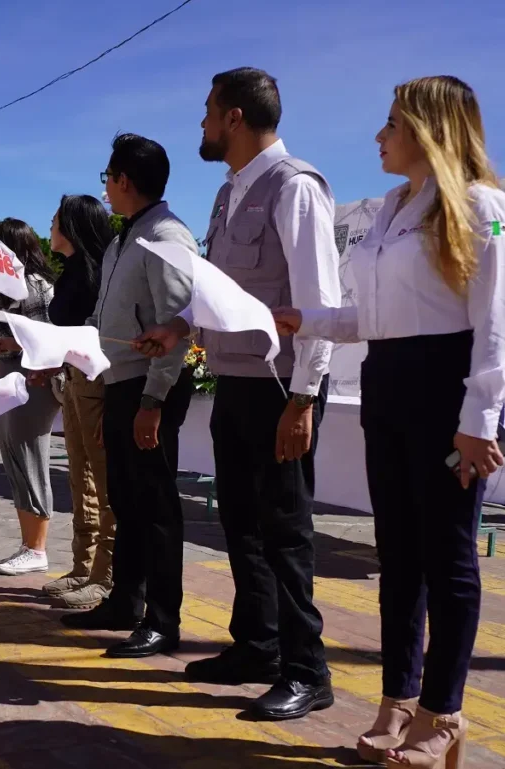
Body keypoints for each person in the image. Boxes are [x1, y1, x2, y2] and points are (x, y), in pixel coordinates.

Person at [273, 76, 505, 766]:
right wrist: (308, 320)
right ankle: (399, 701)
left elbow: (498, 321)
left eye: (391, 123)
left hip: (447, 390)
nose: (379, 136)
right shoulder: (390, 209)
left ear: (429, 129)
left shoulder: (484, 206)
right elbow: (379, 319)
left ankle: (444, 713)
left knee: (449, 557)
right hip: (388, 383)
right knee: (399, 557)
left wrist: (480, 415)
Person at [137, 68, 342, 720]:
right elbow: (219, 294)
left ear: (233, 117)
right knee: (243, 527)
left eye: (206, 112)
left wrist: (304, 398)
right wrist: (177, 328)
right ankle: (256, 645)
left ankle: (309, 671)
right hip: (236, 382)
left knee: (285, 532)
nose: (200, 123)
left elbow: (319, 301)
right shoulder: (230, 195)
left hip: (281, 387)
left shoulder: (295, 187)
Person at [58, 133, 195, 662]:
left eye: (108, 178)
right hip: (119, 382)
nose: (106, 190)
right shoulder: (122, 240)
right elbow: (103, 321)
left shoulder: (167, 237)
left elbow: (176, 326)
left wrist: (154, 400)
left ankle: (163, 619)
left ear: (124, 181)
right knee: (126, 500)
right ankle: (125, 600)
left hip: (147, 387)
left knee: (157, 507)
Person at [43, 194, 116, 609]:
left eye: (55, 219)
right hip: (71, 380)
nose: (49, 226)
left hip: (95, 382)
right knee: (79, 477)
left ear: (72, 226)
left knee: (103, 482)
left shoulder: (96, 274)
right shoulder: (69, 271)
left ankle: (105, 576)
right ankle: (82, 565)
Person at [0, 219, 59, 576]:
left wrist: (13, 342)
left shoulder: (35, 287)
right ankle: (28, 544)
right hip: (8, 378)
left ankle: (37, 548)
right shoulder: (5, 290)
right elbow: (1, 338)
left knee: (30, 459)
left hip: (32, 382)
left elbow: (49, 339)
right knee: (14, 460)